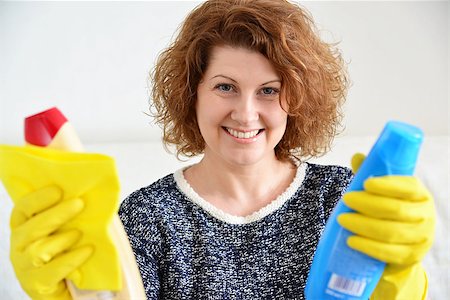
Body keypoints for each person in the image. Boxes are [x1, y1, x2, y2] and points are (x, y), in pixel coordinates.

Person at [8, 0, 435, 299]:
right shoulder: (146, 216)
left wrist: (402, 279)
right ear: (192, 94)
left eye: (269, 90)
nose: (246, 113)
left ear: (298, 100)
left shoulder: (344, 198)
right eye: (225, 87)